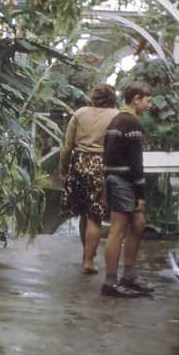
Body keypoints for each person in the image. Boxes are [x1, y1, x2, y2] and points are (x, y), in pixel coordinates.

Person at [101, 81, 155, 297]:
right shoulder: (131, 123)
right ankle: (110, 283)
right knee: (118, 230)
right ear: (136, 99)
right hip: (123, 180)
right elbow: (136, 163)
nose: (149, 105)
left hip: (115, 178)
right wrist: (140, 195)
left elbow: (106, 156)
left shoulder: (116, 121)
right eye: (148, 100)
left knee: (138, 224)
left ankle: (129, 276)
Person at [60, 84, 119, 274]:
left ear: (93, 97)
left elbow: (67, 147)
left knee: (84, 212)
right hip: (101, 166)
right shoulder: (116, 116)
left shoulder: (80, 113)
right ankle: (88, 260)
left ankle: (86, 255)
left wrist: (63, 169)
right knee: (95, 216)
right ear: (112, 98)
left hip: (79, 163)